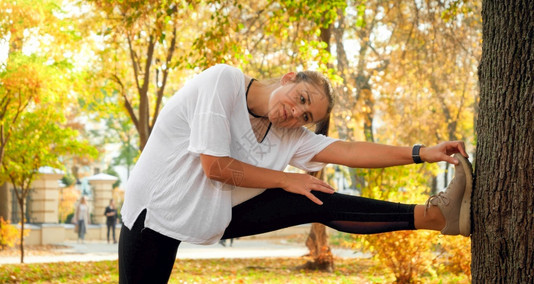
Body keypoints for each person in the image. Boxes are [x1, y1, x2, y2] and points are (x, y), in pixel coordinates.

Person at [119, 64, 473, 283]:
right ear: (288, 78)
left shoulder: (289, 135)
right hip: (156, 212)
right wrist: (288, 178)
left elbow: (348, 150)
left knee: (313, 196)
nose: (296, 114)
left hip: (212, 212)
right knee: (299, 186)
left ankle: (433, 216)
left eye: (306, 117)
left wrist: (423, 153)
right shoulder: (222, 81)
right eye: (301, 98)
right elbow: (215, 167)